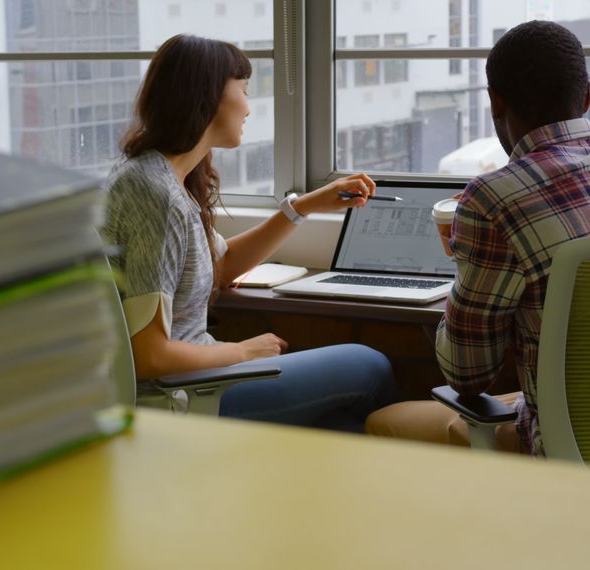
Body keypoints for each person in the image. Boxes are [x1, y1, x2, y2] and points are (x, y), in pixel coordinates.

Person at [365, 21, 590, 454]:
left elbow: (468, 375)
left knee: (385, 422)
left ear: (495, 103)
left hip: (588, 448)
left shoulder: (492, 200)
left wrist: (467, 256)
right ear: (586, 96)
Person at [100, 34, 399, 432]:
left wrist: (303, 206)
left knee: (343, 428)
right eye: (242, 89)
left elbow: (219, 267)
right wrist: (242, 352)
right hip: (177, 396)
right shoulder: (158, 197)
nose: (248, 106)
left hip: (191, 381)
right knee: (369, 366)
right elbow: (149, 354)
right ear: (208, 98)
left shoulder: (157, 176)